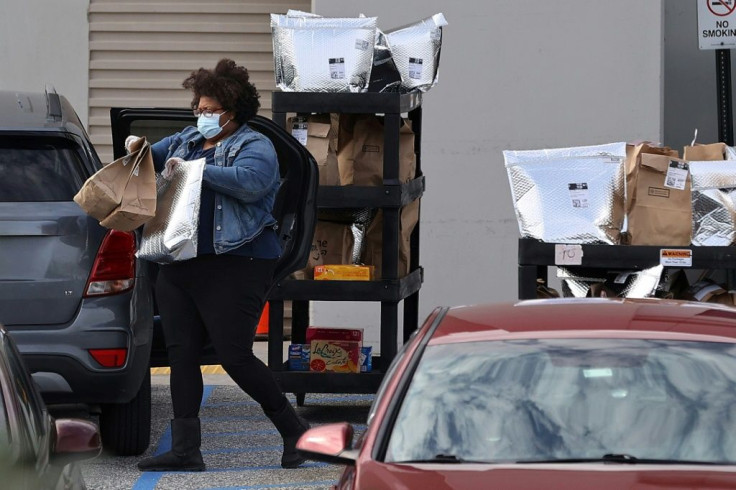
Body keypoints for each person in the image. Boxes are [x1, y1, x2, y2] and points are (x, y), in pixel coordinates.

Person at [136, 58, 309, 472]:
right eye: (199, 108)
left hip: (237, 261)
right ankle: (185, 450)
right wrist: (138, 150)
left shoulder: (255, 145)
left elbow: (250, 184)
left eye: (211, 110)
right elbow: (151, 160)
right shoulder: (186, 140)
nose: (202, 116)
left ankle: (295, 432)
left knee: (234, 355)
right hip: (180, 262)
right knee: (181, 354)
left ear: (234, 113)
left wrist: (196, 172)